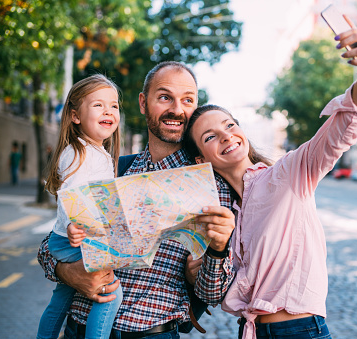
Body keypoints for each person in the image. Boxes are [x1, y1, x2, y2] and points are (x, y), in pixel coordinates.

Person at [183, 21, 357, 339]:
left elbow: (340, 129)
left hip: (299, 330)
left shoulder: (289, 174)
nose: (227, 136)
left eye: (230, 125)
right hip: (250, 331)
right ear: (201, 159)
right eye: (211, 136)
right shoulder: (226, 213)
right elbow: (222, 290)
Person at [37, 61, 236, 338]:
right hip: (79, 329)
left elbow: (212, 293)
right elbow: (51, 244)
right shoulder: (114, 169)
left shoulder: (212, 188)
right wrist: (67, 272)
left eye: (187, 100)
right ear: (143, 103)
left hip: (153, 333)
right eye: (165, 97)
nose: (177, 110)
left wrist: (217, 250)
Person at [37, 74, 123, 339]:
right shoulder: (80, 152)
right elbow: (72, 194)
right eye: (98, 105)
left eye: (114, 105)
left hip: (66, 239)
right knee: (110, 293)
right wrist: (76, 224)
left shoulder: (93, 151)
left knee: (61, 299)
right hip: (75, 239)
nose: (108, 110)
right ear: (75, 116)